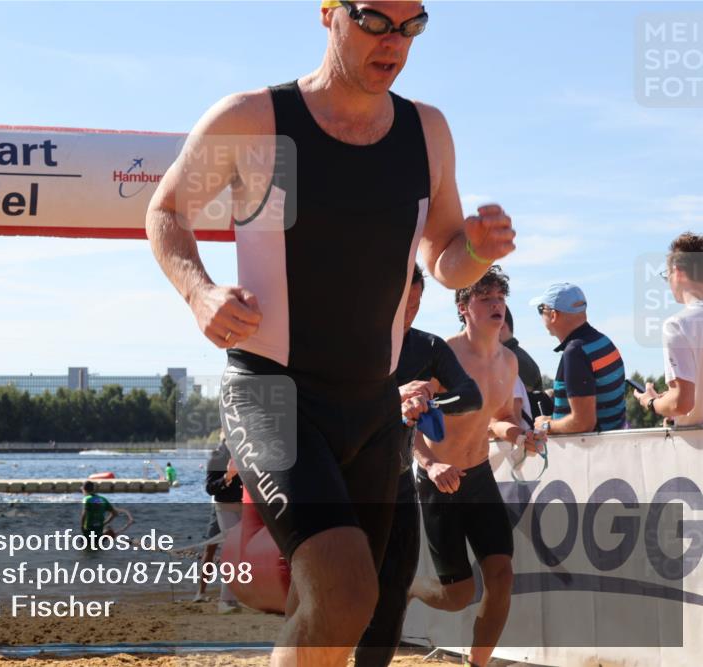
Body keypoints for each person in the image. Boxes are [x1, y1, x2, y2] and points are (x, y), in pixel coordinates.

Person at [145, 1, 516, 661]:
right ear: (329, 14)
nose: (393, 41)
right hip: (272, 391)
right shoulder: (255, 119)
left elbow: (443, 255)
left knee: (344, 606)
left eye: (412, 26)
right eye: (375, 19)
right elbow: (167, 209)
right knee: (343, 591)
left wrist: (479, 251)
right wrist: (198, 291)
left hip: (373, 405)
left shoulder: (427, 131)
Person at [408, 266, 543, 667]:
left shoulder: (509, 361)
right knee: (458, 596)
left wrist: (521, 435)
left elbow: (499, 416)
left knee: (501, 577)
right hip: (439, 480)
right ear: (465, 308)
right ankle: (412, 588)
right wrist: (431, 466)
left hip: (479, 476)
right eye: (486, 299)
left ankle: (477, 664)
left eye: (501, 299)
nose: (497, 306)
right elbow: (409, 420)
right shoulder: (441, 355)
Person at [355, 264, 482, 667]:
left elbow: (471, 395)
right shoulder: (352, 342)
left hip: (396, 483)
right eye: (401, 303)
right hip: (345, 483)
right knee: (338, 594)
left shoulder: (426, 348)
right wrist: (393, 397)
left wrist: (429, 395)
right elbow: (331, 409)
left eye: (417, 303)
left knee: (394, 592)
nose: (409, 312)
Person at [529, 283, 626, 434]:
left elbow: (583, 423)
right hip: (612, 446)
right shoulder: (603, 342)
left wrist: (547, 425)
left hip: (590, 453)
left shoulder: (575, 352)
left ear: (553, 315)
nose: (540, 315)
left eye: (541, 309)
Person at [634, 232, 703, 427]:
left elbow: (681, 403)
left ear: (678, 271)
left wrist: (651, 402)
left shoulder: (678, 325)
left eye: (667, 275)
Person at [205, 437, 245, 614]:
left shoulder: (246, 451)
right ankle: (225, 600)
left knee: (243, 552)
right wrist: (228, 476)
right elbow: (209, 488)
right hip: (225, 507)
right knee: (232, 549)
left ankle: (237, 597)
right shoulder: (217, 457)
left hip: (246, 507)